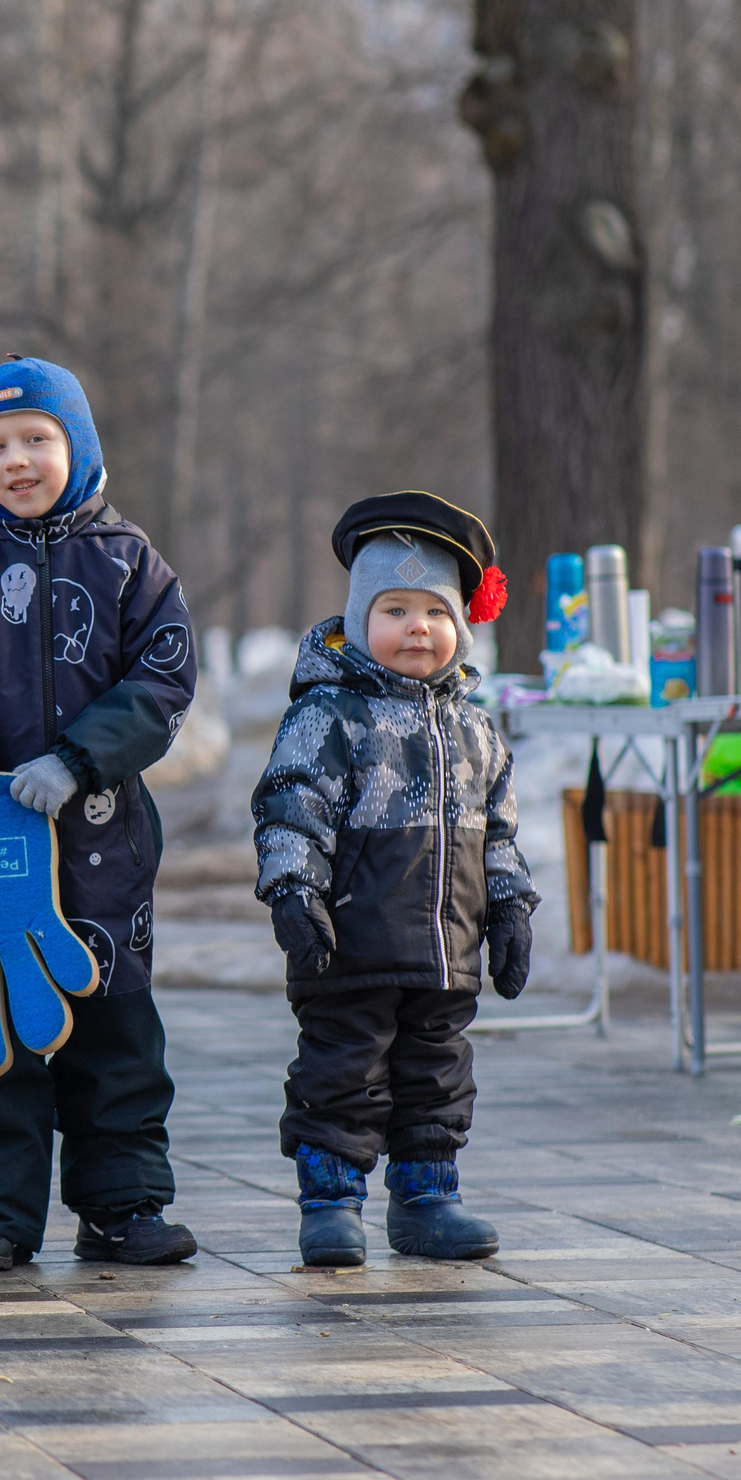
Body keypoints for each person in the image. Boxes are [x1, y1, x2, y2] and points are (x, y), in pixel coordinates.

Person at [0, 355, 200, 1272]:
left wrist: (77, 759)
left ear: (80, 444)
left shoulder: (130, 563)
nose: (17, 459)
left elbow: (164, 678)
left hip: (102, 852)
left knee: (115, 1042)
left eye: (38, 438)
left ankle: (122, 1205)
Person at [251, 492, 533, 1266]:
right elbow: (290, 808)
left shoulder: (476, 728)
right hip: (350, 944)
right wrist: (294, 893)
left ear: (460, 625)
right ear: (357, 621)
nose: (418, 627)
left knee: (436, 1079)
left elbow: (499, 829)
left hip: (447, 949)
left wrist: (509, 907)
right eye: (396, 610)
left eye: (435, 612)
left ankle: (425, 1197)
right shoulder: (332, 714)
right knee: (342, 1070)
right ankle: (331, 1200)